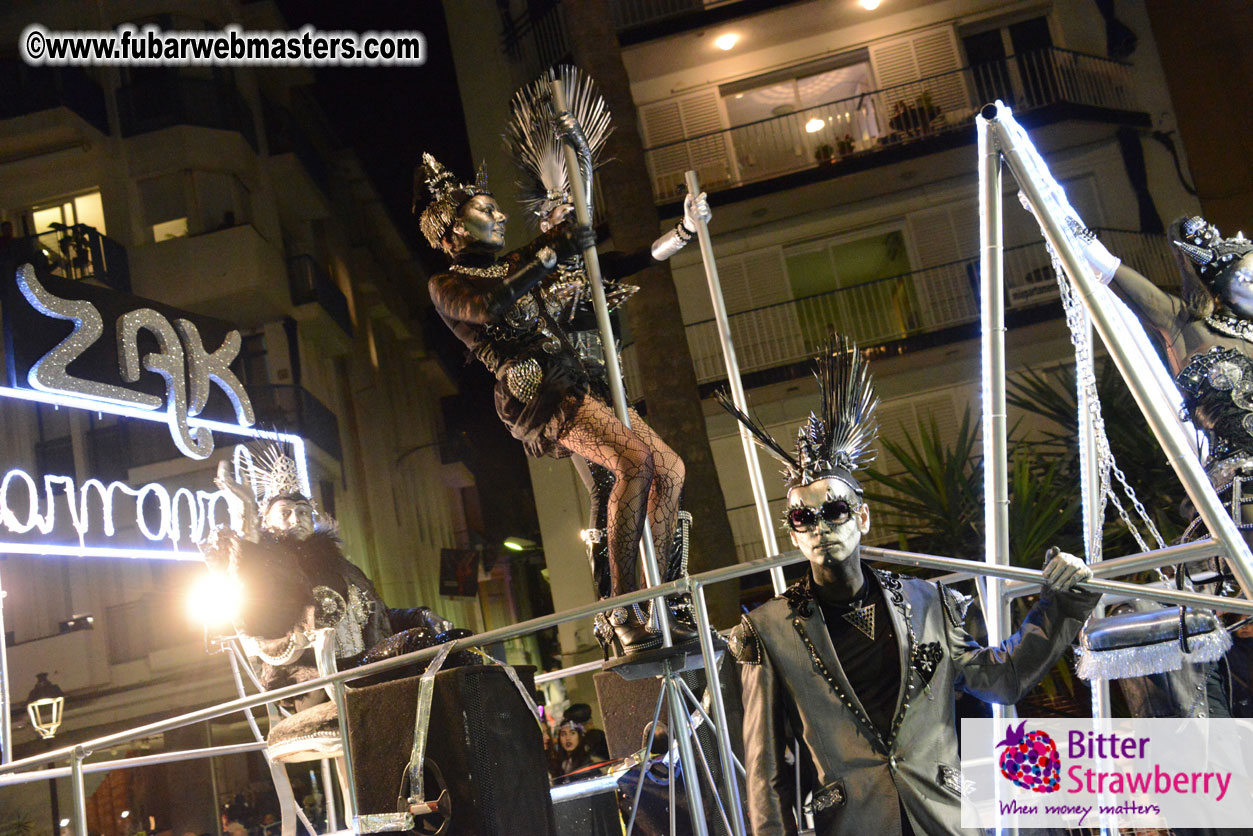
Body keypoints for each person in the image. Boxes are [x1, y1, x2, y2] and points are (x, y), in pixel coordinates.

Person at [722, 337, 1100, 836]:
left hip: (944, 814)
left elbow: (1001, 680)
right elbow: (764, 770)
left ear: (862, 517)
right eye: (803, 517)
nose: (821, 527)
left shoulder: (931, 605)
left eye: (833, 511)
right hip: (853, 824)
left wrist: (1060, 604)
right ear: (792, 534)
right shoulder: (768, 631)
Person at [418, 141, 701, 655]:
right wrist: (552, 250)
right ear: (455, 228)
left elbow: (597, 260)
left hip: (582, 377)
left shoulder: (511, 262)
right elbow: (489, 306)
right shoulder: (447, 283)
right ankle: (621, 607)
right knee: (633, 464)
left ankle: (655, 597)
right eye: (486, 209)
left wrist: (576, 234)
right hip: (542, 392)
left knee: (671, 469)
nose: (500, 215)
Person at [504, 65, 711, 646]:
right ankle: (622, 608)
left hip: (604, 389)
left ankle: (663, 595)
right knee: (617, 481)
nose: (568, 221)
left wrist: (686, 231)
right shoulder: (533, 275)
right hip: (567, 395)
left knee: (658, 471)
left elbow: (641, 256)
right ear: (544, 220)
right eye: (558, 214)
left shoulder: (593, 265)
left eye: (574, 212)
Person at [203, 445, 461, 711]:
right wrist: (247, 520)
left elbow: (379, 618)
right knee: (415, 643)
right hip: (319, 676)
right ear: (267, 522)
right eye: (286, 512)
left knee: (456, 644)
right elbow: (259, 609)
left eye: (303, 511)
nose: (297, 519)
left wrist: (421, 616)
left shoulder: (342, 567)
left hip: (366, 661)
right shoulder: (272, 568)